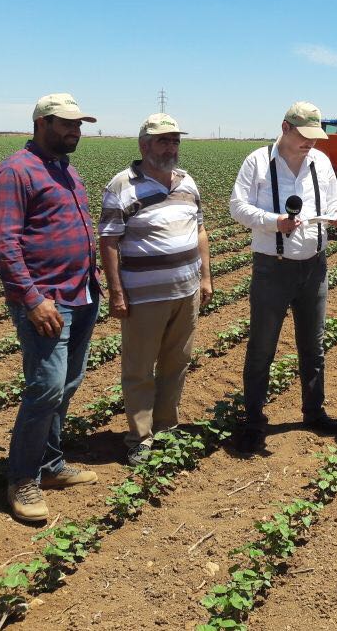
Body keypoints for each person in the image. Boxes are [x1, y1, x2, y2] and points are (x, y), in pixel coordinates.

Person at [0, 93, 101, 523]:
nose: (75, 131)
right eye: (66, 124)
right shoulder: (16, 170)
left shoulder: (64, 168)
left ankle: (50, 464)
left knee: (68, 383)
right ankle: (22, 478)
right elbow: (2, 242)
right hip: (47, 301)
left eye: (78, 125)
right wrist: (32, 299)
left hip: (81, 293)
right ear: (41, 123)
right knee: (47, 386)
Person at [229, 101, 337, 453]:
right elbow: (237, 207)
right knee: (262, 346)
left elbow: (333, 202)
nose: (310, 143)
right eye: (303, 136)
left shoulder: (321, 162)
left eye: (315, 137)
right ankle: (253, 420)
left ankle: (314, 412)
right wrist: (273, 222)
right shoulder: (257, 162)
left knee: (313, 345)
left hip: (314, 266)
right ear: (285, 128)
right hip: (273, 266)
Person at [98, 114, 213, 467]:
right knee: (139, 368)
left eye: (175, 140)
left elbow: (200, 231)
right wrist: (117, 292)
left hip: (186, 291)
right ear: (144, 145)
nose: (171, 147)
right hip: (144, 296)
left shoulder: (187, 181)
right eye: (163, 141)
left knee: (176, 363)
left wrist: (206, 278)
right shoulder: (122, 185)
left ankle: (166, 427)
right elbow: (109, 241)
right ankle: (140, 438)